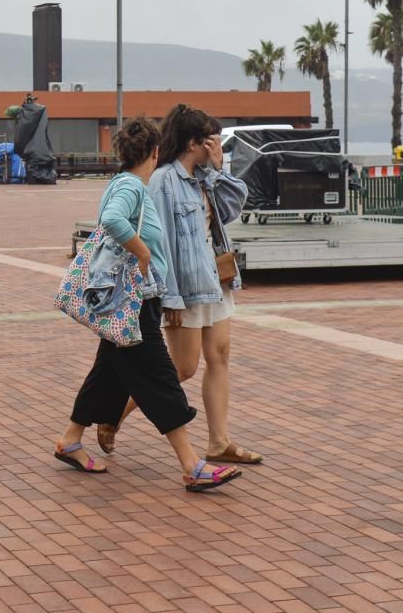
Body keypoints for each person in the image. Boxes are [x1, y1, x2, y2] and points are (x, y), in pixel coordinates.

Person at [54, 115, 243, 493]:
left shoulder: (125, 183)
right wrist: (141, 252)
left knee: (105, 375)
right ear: (154, 152)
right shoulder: (132, 188)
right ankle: (192, 466)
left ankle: (70, 440)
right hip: (135, 303)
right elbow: (111, 220)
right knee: (160, 380)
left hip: (131, 302)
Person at [101, 105, 261, 465]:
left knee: (219, 355)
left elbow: (234, 207)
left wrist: (220, 169)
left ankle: (219, 441)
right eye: (211, 140)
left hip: (215, 279)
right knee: (182, 368)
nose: (217, 145)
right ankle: (113, 416)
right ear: (193, 142)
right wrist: (169, 297)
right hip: (184, 287)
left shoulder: (206, 176)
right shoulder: (163, 182)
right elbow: (162, 243)